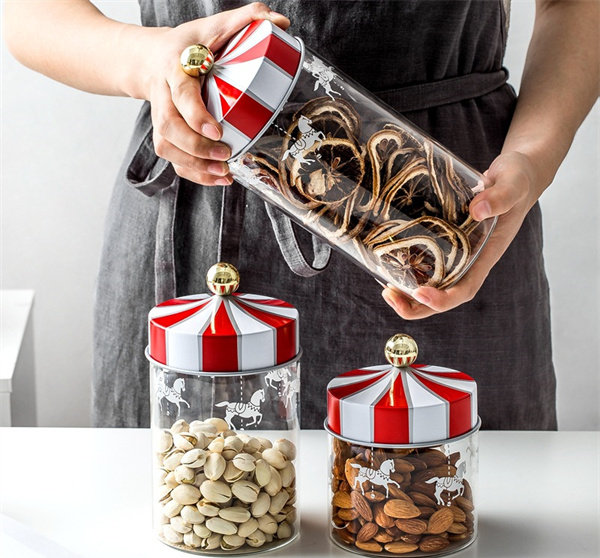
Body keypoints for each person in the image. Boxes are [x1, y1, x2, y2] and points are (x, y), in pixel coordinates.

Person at [4, 0, 598, 429]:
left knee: (454, 534)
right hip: (202, 197)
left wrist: (532, 156)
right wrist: (149, 61)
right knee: (195, 536)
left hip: (443, 210)